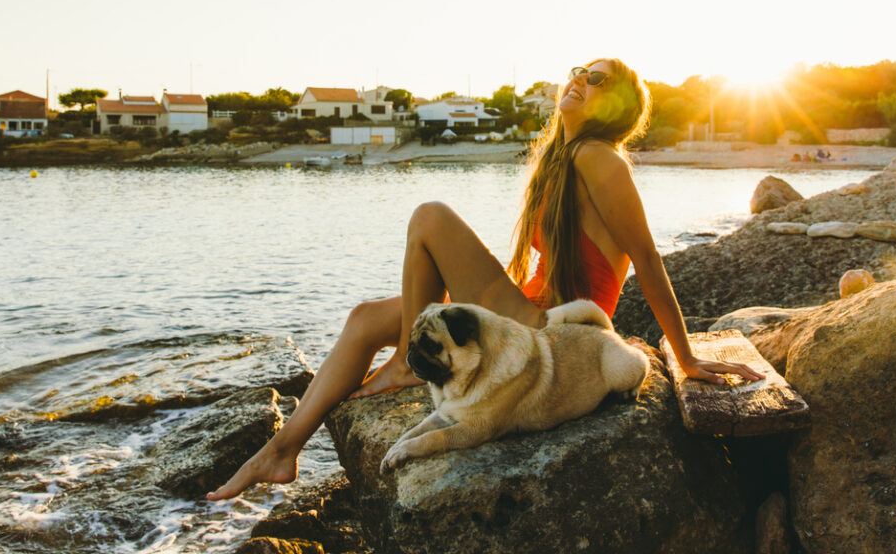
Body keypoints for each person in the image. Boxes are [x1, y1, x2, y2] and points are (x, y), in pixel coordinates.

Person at [207, 58, 764, 501]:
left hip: (552, 328)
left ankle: (406, 360)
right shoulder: (561, 156)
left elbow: (647, 258)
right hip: (528, 307)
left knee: (430, 217)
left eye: (597, 81)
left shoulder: (600, 158)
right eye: (579, 71)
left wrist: (685, 357)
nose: (580, 81)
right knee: (362, 320)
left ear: (614, 105)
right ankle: (282, 451)